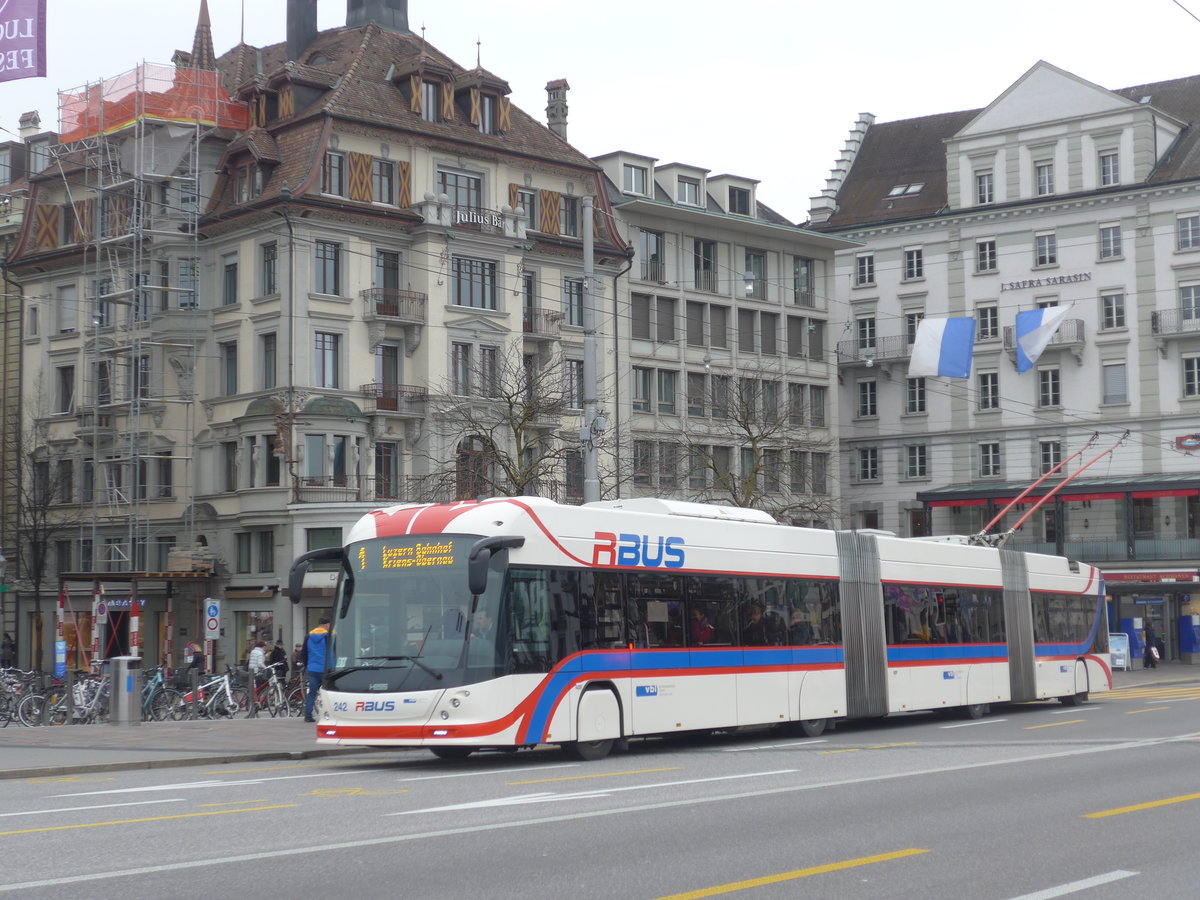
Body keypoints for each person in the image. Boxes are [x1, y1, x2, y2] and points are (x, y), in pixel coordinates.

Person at [303, 618, 331, 722]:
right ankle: (327, 715)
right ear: (326, 625)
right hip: (324, 669)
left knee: (312, 693)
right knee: (327, 693)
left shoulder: (308, 636)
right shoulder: (327, 636)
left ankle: (308, 715)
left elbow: (304, 653)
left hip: (312, 669)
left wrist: (307, 666)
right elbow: (331, 652)